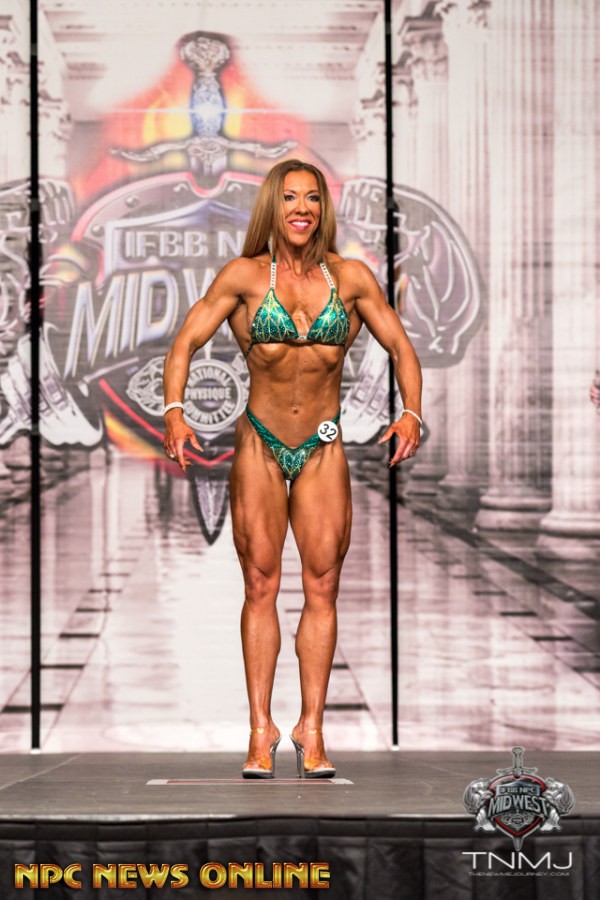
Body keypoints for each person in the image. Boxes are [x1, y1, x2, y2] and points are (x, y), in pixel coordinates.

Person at [162, 159, 422, 778]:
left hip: (323, 446)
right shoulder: (245, 276)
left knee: (322, 587)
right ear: (272, 208)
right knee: (260, 585)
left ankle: (312, 726)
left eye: (311, 198)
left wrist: (411, 412)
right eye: (289, 198)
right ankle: (261, 729)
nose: (301, 208)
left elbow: (401, 346)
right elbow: (185, 342)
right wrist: (175, 411)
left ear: (322, 208)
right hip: (260, 440)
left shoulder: (351, 278)